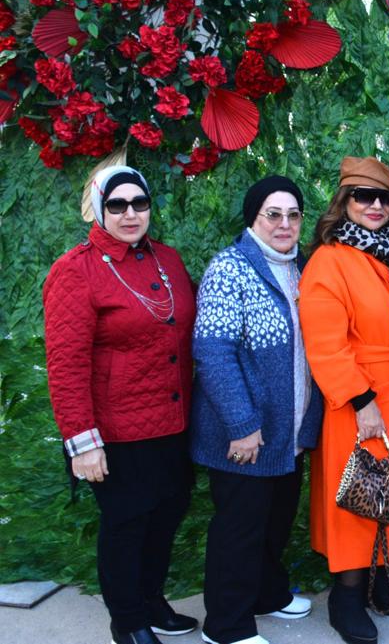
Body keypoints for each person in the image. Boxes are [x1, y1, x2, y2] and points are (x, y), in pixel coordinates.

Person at [43, 165, 197, 644]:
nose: (130, 214)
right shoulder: (76, 270)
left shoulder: (168, 259)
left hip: (174, 422)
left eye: (139, 203)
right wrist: (82, 443)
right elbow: (66, 364)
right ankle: (127, 621)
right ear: (100, 209)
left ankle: (150, 601)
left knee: (166, 516)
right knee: (127, 524)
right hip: (116, 431)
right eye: (117, 205)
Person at [298, 157, 389, 644]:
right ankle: (346, 599)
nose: (375, 205)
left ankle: (381, 581)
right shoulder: (329, 259)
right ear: (344, 202)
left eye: (386, 198)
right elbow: (325, 343)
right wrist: (362, 401)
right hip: (361, 400)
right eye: (364, 196)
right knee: (360, 496)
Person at [191, 176, 324, 644]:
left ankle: (267, 594)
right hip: (246, 434)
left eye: (293, 214)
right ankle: (225, 626)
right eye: (273, 214)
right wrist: (242, 425)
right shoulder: (229, 269)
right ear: (253, 218)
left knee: (274, 523)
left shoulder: (303, 268)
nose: (284, 224)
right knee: (240, 530)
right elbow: (213, 354)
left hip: (288, 433)